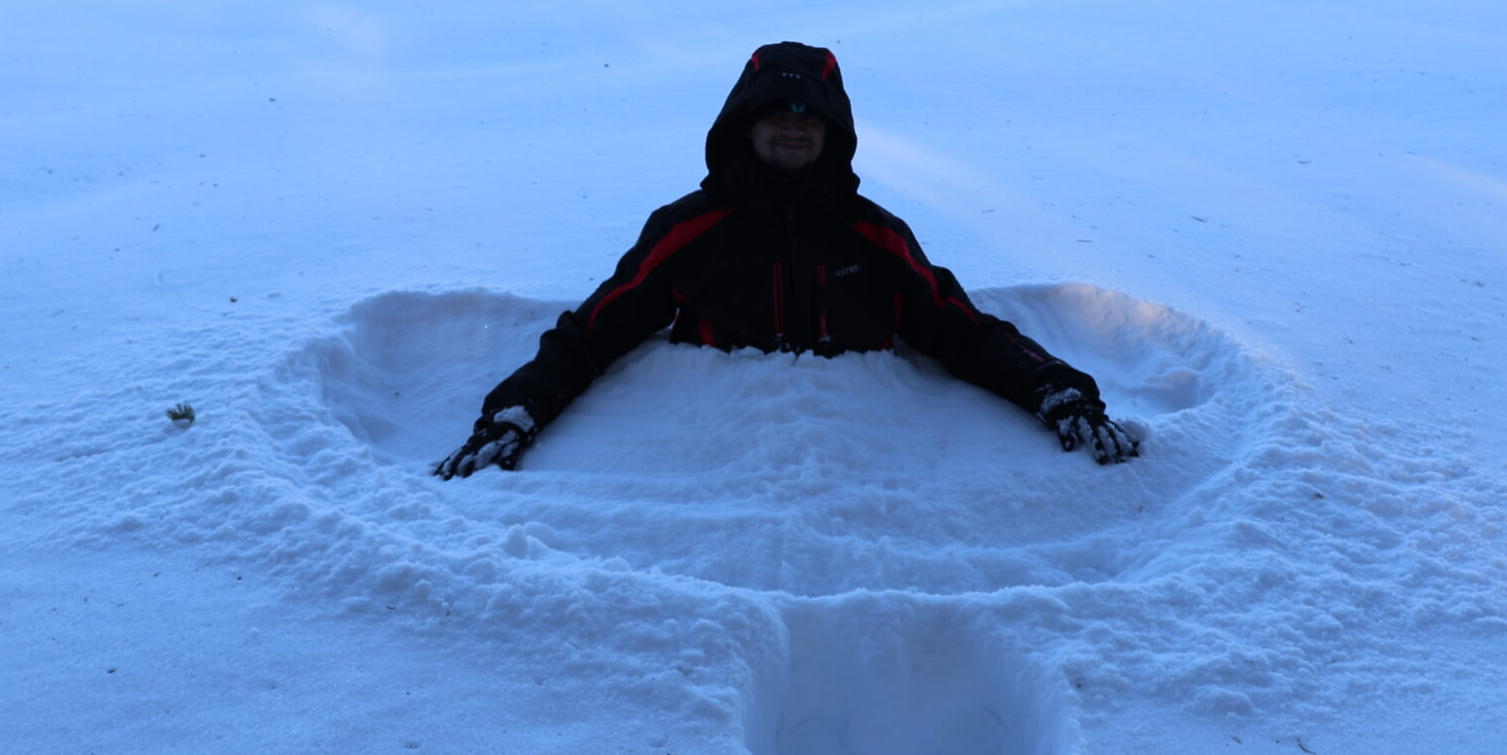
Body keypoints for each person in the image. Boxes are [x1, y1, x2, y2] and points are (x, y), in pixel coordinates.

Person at [435, 41, 1142, 477]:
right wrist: (517, 410)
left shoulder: (876, 235)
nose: (793, 128)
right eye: (777, 112)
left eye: (811, 115)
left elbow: (963, 330)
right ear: (744, 124)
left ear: (835, 131)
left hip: (872, 474)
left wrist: (1056, 389)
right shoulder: (688, 228)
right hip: (711, 469)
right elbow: (592, 333)